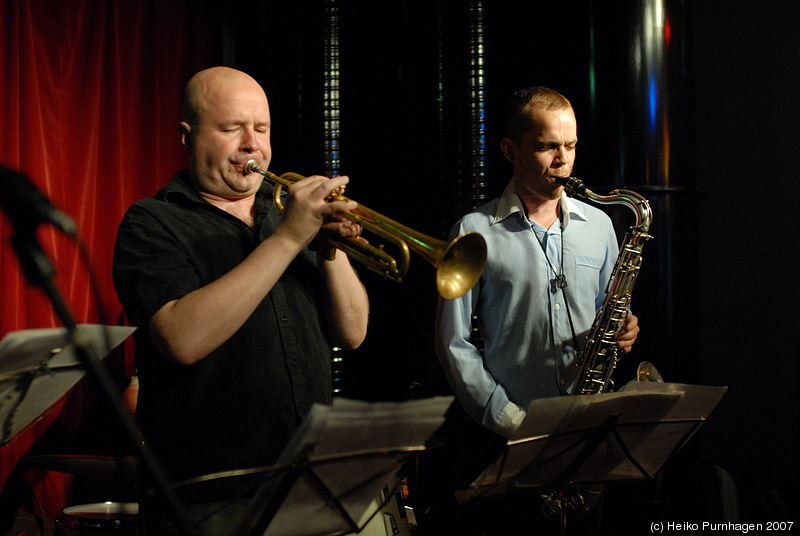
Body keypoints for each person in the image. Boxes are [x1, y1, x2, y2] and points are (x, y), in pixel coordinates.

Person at [112, 66, 369, 534]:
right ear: (187, 137)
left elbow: (352, 333)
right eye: (232, 128)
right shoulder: (152, 223)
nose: (253, 144)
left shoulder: (287, 214)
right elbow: (180, 339)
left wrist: (330, 251)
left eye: (262, 129)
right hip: (206, 501)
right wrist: (291, 238)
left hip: (308, 486)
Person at [423, 86, 639, 534]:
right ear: (510, 149)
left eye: (571, 145)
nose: (564, 160)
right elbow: (453, 345)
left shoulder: (600, 224)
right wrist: (512, 423)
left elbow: (608, 311)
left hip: (585, 439)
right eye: (547, 146)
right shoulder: (473, 230)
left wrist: (625, 330)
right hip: (510, 441)